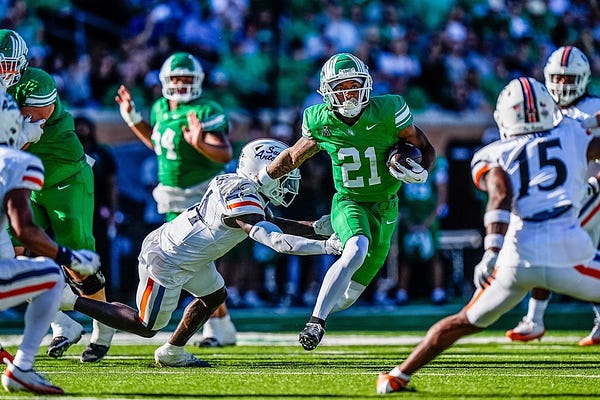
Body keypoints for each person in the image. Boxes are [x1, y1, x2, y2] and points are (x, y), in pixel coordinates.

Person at [376, 77, 600, 394]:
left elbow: (500, 196)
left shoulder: (493, 153)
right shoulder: (573, 134)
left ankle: (397, 376)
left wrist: (492, 252)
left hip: (517, 256)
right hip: (568, 252)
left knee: (463, 321)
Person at [60, 138, 342, 367]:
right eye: (282, 173)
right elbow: (276, 240)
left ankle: (172, 352)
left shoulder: (241, 187)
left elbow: (272, 222)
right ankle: (69, 300)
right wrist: (326, 247)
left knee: (215, 296)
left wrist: (317, 227)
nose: (286, 181)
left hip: (191, 255)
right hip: (168, 259)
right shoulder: (242, 196)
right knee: (146, 325)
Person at [256, 52, 436, 350]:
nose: (350, 93)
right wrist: (260, 179)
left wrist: (423, 171)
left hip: (386, 207)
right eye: (342, 87)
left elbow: (425, 146)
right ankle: (315, 323)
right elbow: (292, 157)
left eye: (354, 85)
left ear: (366, 84)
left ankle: (323, 236)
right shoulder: (320, 119)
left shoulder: (388, 110)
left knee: (348, 297)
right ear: (327, 91)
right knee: (355, 248)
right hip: (349, 201)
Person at [0, 28, 115, 363]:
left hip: (64, 176)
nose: (1, 72)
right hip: (24, 180)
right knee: (11, 256)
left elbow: (23, 137)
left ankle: (104, 325)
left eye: (6, 64)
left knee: (76, 256)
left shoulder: (36, 83)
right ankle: (62, 323)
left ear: (21, 63)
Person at [115, 51, 237, 348]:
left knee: (192, 262)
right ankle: (221, 326)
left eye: (186, 79)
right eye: (176, 78)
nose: (181, 84)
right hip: (173, 199)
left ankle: (217, 326)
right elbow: (159, 143)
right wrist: (133, 119)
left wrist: (199, 142)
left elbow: (224, 153)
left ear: (198, 81)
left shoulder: (206, 109)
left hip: (201, 196)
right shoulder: (159, 108)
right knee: (195, 265)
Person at [0, 88, 100, 394]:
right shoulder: (14, 162)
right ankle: (22, 368)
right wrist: (72, 258)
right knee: (50, 276)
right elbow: (25, 230)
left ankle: (63, 326)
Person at [505, 46, 600, 346]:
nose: (561, 84)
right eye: (557, 77)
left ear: (582, 78)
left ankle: (534, 319)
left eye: (568, 78)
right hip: (566, 194)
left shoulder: (593, 107)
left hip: (591, 191)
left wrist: (595, 183)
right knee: (572, 251)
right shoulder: (545, 106)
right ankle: (536, 320)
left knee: (555, 244)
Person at [393, 155, 449, 305]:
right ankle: (402, 291)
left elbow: (442, 196)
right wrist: (406, 220)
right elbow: (395, 194)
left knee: (433, 255)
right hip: (409, 216)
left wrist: (429, 221)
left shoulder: (437, 165)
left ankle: (438, 290)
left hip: (428, 217)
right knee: (405, 256)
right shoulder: (401, 163)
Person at [74, 115, 119, 298]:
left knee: (101, 254)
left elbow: (111, 184)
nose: (82, 131)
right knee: (76, 253)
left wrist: (113, 211)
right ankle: (77, 295)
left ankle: (104, 295)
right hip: (74, 212)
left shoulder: (102, 153)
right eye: (78, 127)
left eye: (84, 127)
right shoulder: (68, 152)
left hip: (98, 212)